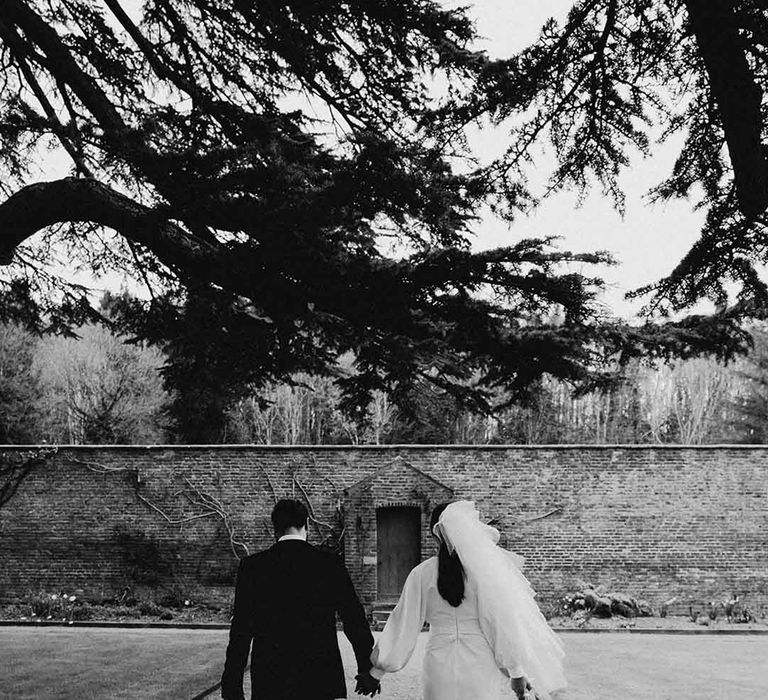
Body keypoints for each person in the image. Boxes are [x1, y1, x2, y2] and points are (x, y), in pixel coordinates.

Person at [360, 501, 566, 700]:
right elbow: (498, 625)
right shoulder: (483, 574)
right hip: (479, 662)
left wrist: (377, 672)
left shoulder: (421, 574)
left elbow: (404, 624)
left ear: (435, 535)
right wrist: (516, 671)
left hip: (439, 662)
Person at [221, 498, 381, 700]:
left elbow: (240, 632)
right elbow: (354, 619)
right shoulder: (329, 565)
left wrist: (232, 686)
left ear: (275, 529)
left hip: (270, 678)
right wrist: (368, 669)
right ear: (306, 525)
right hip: (320, 676)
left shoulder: (253, 568)